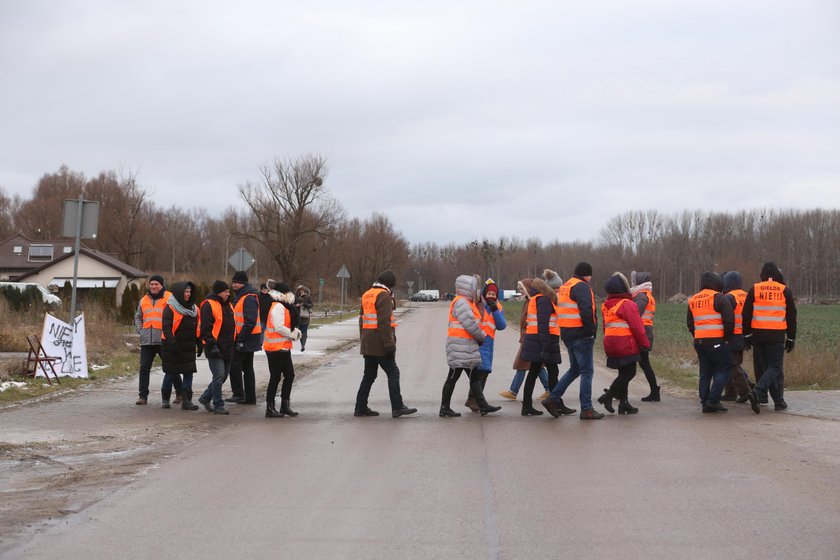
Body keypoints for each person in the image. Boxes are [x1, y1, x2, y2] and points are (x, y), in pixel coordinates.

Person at [542, 263, 603, 420]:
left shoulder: (566, 285)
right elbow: (587, 310)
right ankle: (587, 409)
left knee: (574, 370)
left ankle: (552, 399)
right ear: (587, 274)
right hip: (581, 335)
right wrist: (591, 332)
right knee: (587, 372)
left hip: (567, 334)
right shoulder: (582, 286)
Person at [354, 270, 417, 418]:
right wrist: (389, 344)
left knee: (369, 375)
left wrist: (362, 339)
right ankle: (397, 407)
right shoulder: (383, 295)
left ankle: (360, 407)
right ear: (389, 285)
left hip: (368, 342)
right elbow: (384, 323)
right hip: (380, 342)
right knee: (393, 373)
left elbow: (362, 320)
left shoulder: (367, 294)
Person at [439, 275, 501, 417]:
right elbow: (470, 324)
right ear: (467, 288)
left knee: (473, 378)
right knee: (453, 377)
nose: (476, 290)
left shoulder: (468, 302)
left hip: (466, 347)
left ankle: (482, 404)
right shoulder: (461, 302)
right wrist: (481, 337)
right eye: (474, 287)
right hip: (460, 346)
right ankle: (444, 407)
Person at [743, 262, 797, 411]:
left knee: (765, 368)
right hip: (776, 335)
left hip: (758, 335)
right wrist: (791, 338)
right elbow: (792, 316)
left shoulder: (754, 289)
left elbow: (746, 314)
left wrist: (746, 335)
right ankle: (758, 392)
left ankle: (777, 401)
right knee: (774, 367)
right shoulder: (785, 290)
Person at [597, 272, 650, 415]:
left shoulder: (605, 306)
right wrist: (644, 343)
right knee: (630, 372)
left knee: (623, 371)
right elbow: (637, 327)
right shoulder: (627, 304)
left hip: (611, 342)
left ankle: (624, 403)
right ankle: (608, 397)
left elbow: (604, 326)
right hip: (625, 342)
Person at [686, 271, 737, 413]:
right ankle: (713, 400)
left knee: (705, 372)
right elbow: (729, 320)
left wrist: (697, 335)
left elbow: (690, 322)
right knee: (724, 368)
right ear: (717, 283)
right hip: (717, 341)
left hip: (699, 342)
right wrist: (727, 339)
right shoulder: (719, 298)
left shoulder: (693, 299)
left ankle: (704, 402)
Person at [499, 278, 549, 400]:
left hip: (531, 338)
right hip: (528, 337)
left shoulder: (533, 302)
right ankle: (550, 389)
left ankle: (513, 391)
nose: (520, 291)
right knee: (536, 365)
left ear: (528, 288)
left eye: (522, 288)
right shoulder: (527, 302)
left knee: (522, 363)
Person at [519, 275, 562, 416]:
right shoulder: (544, 300)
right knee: (552, 372)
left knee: (534, 372)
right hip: (542, 341)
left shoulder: (537, 299)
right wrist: (546, 346)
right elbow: (543, 325)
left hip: (536, 340)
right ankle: (555, 404)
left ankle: (527, 406)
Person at [463, 279, 507, 412]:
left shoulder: (497, 307)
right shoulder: (478, 305)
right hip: (477, 342)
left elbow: (501, 326)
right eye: (489, 294)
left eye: (494, 295)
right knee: (480, 372)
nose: (491, 297)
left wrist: (494, 310)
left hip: (489, 344)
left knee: (485, 371)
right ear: (484, 294)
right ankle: (475, 400)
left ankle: (474, 400)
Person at [133, 274, 176, 405]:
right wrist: (140, 330)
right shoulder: (144, 300)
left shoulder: (170, 298)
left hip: (164, 340)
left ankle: (180, 393)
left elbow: (176, 316)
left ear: (162, 285)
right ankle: (143, 396)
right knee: (144, 368)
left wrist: (170, 334)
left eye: (156, 284)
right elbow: (138, 317)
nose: (153, 286)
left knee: (171, 367)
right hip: (147, 340)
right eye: (151, 284)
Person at [263, 282, 302, 418]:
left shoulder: (282, 306)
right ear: (283, 295)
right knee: (275, 378)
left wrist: (292, 333)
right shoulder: (278, 306)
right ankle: (270, 407)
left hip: (282, 347)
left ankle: (285, 406)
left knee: (289, 376)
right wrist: (294, 334)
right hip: (275, 348)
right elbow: (279, 327)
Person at [161, 281, 200, 411]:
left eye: (189, 292)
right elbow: (166, 328)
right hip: (172, 346)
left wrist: (200, 343)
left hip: (188, 347)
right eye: (185, 292)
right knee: (171, 373)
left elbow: (198, 328)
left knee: (189, 374)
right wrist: (172, 343)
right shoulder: (170, 307)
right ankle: (165, 399)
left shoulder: (194, 309)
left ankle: (187, 401)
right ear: (179, 292)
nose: (188, 294)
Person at [197, 281, 236, 414]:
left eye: (228, 291)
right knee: (219, 375)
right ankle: (218, 404)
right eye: (225, 291)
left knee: (223, 376)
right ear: (218, 292)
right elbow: (205, 328)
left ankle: (205, 397)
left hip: (228, 346)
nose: (228, 293)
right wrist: (211, 345)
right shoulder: (208, 305)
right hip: (214, 347)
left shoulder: (229, 305)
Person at [721, 271, 756, 406]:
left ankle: (745, 391)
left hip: (732, 335)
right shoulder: (747, 295)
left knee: (731, 365)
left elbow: (727, 318)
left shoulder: (729, 297)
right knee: (735, 363)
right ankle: (730, 393)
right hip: (745, 335)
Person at [226, 270, 262, 405]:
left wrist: (240, 338)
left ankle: (239, 394)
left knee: (234, 365)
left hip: (246, 338)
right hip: (248, 338)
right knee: (247, 368)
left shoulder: (248, 297)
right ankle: (249, 397)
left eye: (237, 283)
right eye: (233, 282)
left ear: (243, 284)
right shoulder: (242, 296)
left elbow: (250, 321)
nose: (234, 285)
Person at [631, 271, 661, 402]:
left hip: (641, 332)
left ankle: (655, 391)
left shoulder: (641, 296)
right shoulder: (647, 294)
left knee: (636, 364)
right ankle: (655, 391)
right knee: (643, 363)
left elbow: (634, 313)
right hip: (646, 331)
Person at [294, 285, 314, 352]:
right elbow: (292, 305)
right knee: (300, 332)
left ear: (305, 291)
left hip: (305, 317)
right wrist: (296, 306)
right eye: (300, 290)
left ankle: (303, 346)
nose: (301, 292)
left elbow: (311, 305)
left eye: (302, 290)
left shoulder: (308, 297)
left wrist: (304, 304)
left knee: (304, 331)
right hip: (298, 317)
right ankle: (301, 344)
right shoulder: (296, 297)